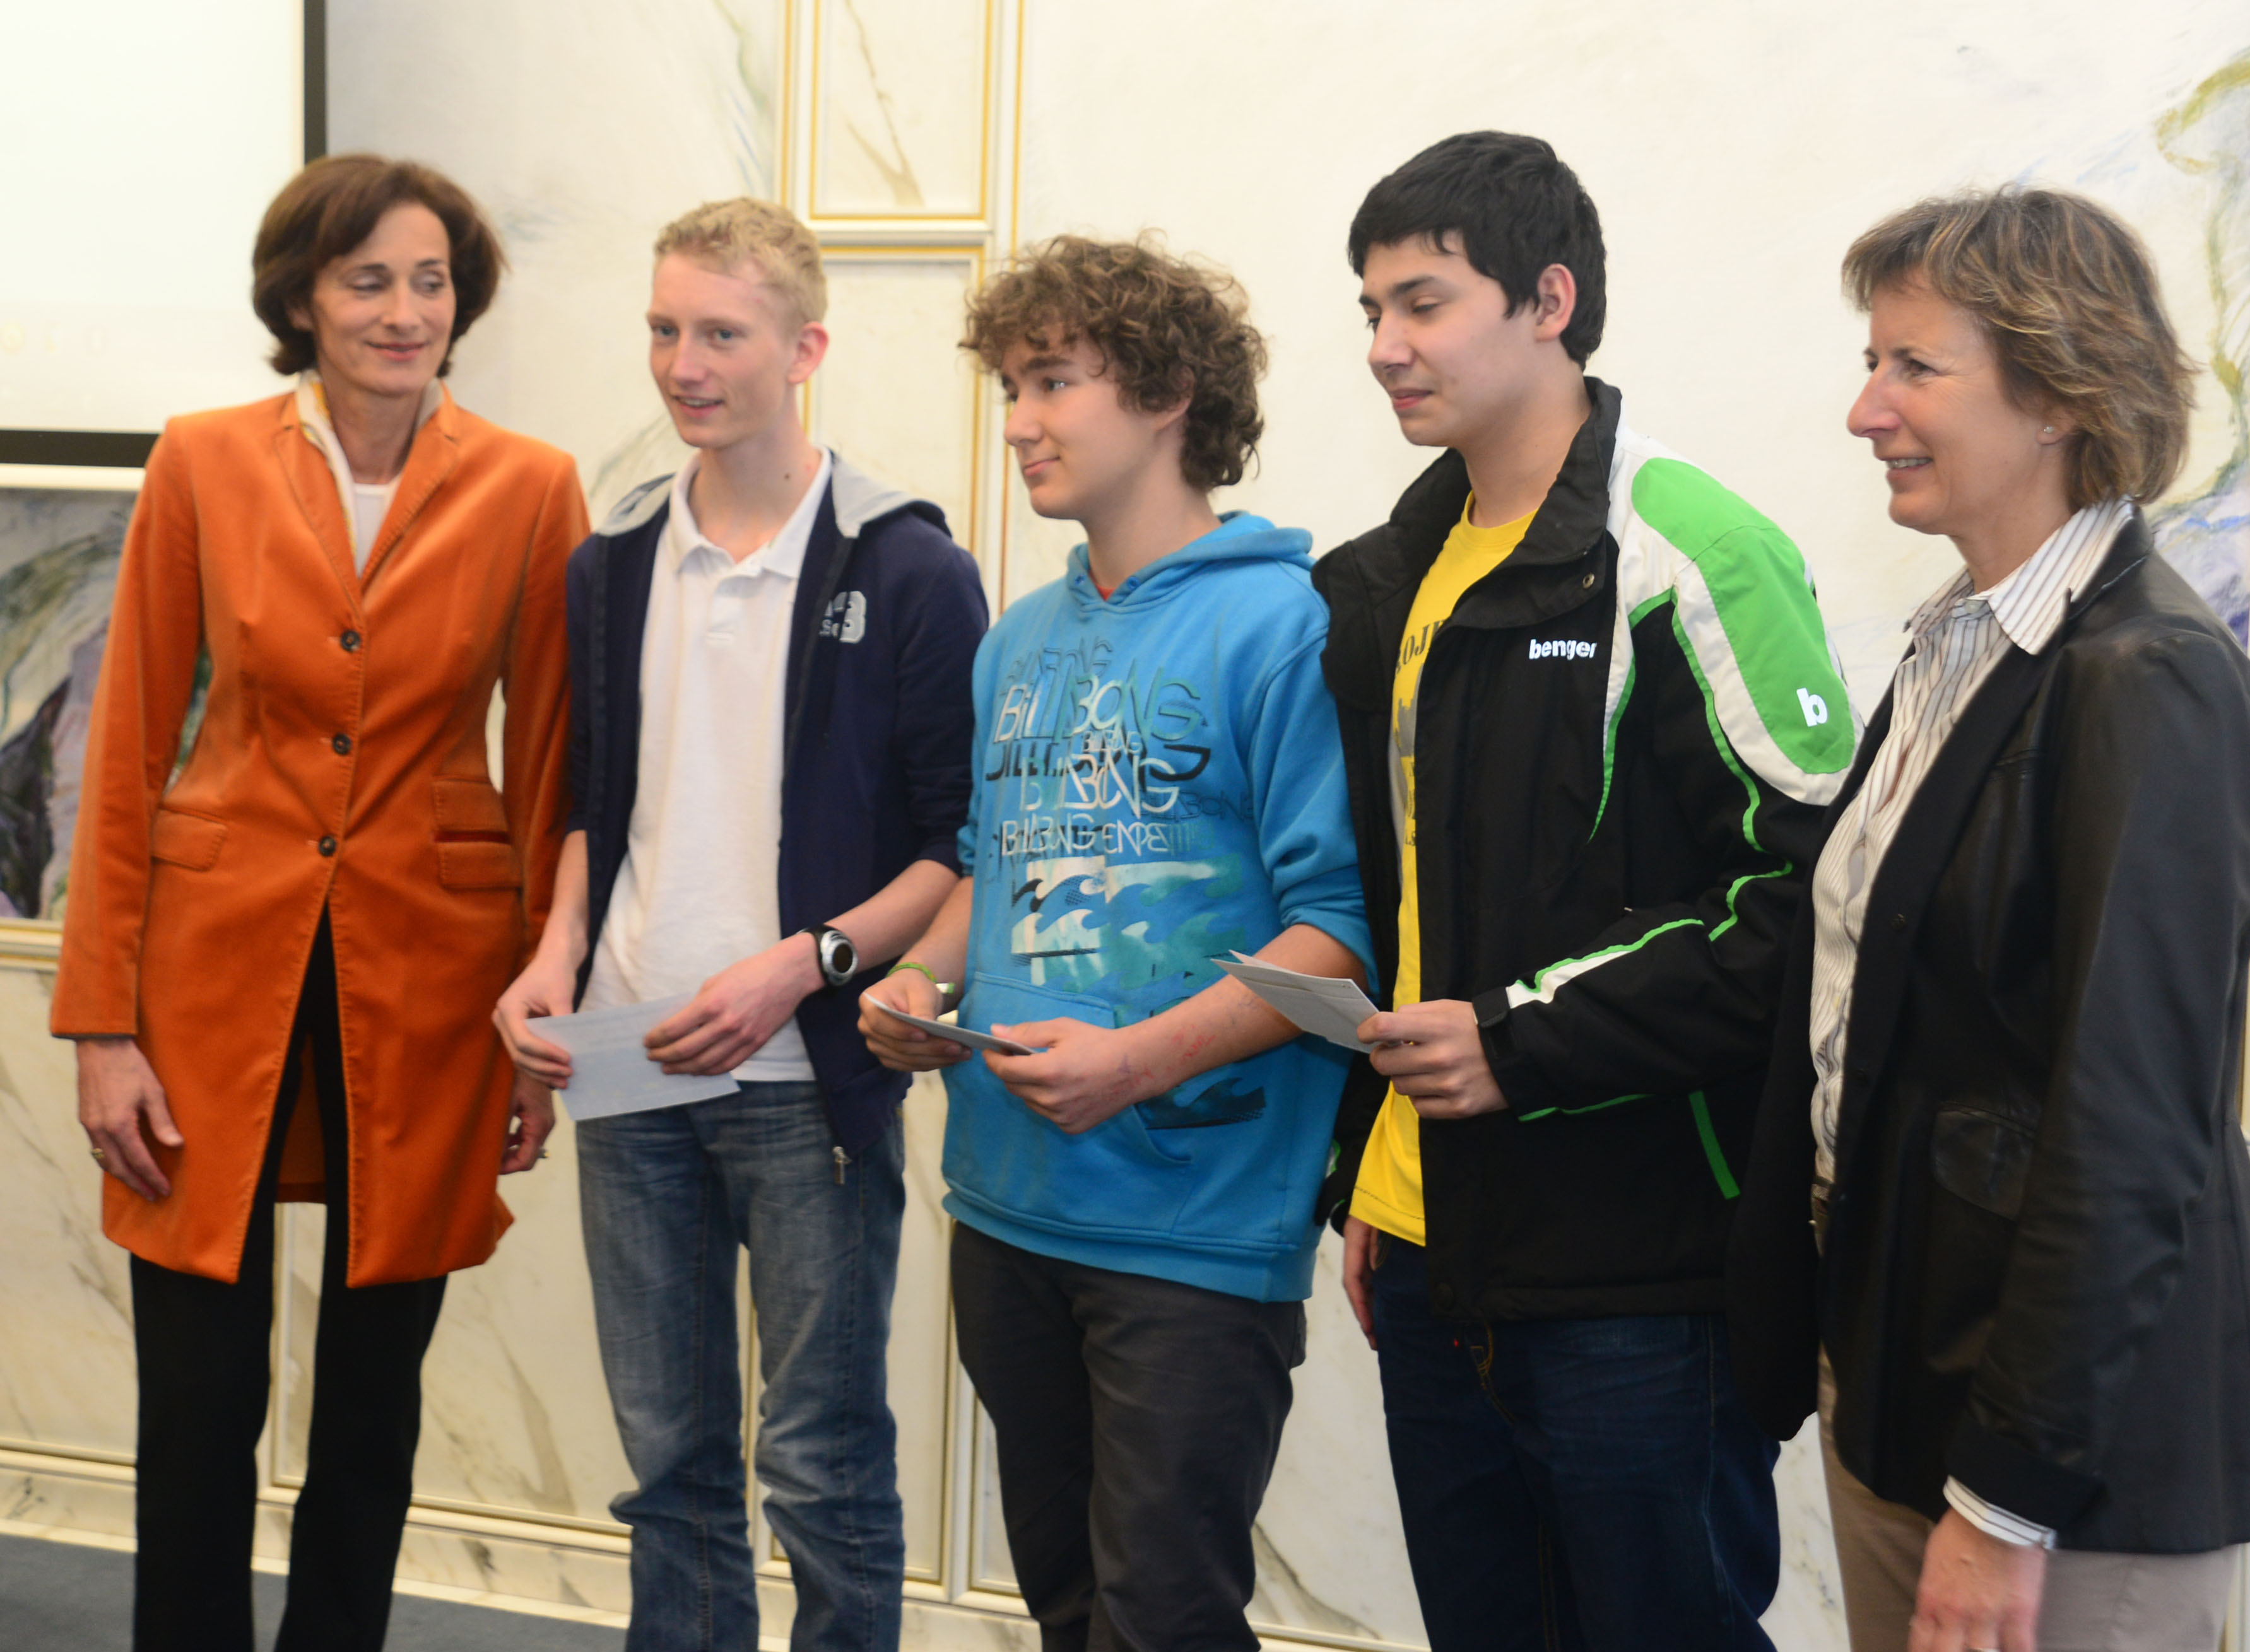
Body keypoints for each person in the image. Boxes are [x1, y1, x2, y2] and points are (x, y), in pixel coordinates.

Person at [1726, 186, 2250, 1652]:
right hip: (1908, 1379)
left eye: (1914, 366)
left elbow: (2129, 1123)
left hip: (2063, 1463)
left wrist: (2005, 1499)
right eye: (1873, 361)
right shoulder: (1956, 648)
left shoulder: (2147, 678)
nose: (1866, 409)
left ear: (2057, 392)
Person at [1316, 131, 1859, 1651]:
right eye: (1370, 309)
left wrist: (1517, 1040)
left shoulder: (1690, 548)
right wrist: (1375, 1175)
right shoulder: (1389, 574)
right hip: (1428, 1244)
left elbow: (1807, 904)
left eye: (1423, 303)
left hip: (1641, 1269)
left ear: (1549, 301)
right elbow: (1408, 904)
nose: (1385, 346)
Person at [52, 153, 583, 1651]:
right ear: (302, 298)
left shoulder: (530, 483)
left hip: (435, 975)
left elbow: (552, 765)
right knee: (199, 1388)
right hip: (209, 968)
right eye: (368, 280)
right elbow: (127, 747)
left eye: (431, 281)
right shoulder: (202, 459)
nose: (405, 312)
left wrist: (546, 1030)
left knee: (375, 1389)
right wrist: (100, 1024)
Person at [859, 234, 1372, 1652]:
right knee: (1070, 1608)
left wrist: (1136, 1064)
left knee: (1165, 1620)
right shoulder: (1016, 638)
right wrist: (922, 979)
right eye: (1011, 387)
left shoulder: (1287, 625)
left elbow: (1339, 937)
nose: (1020, 420)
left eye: (1053, 382)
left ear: (1167, 394)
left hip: (1194, 1230)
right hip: (1006, 1204)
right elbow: (992, 868)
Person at [492, 197, 985, 1652]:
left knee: (820, 1463)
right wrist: (551, 957)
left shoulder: (908, 566)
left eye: (720, 332)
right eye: (663, 328)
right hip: (628, 1056)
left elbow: (957, 846)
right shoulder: (612, 562)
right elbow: (593, 807)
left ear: (805, 349)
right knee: (670, 1467)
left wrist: (805, 963)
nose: (683, 364)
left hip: (802, 1071)